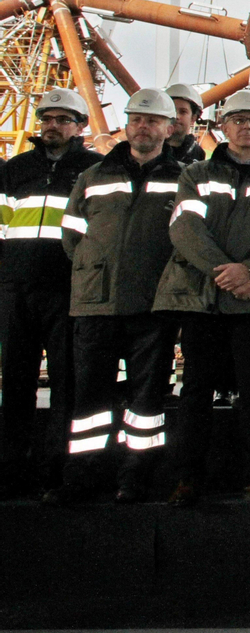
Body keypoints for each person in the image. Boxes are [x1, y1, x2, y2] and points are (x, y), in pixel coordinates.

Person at [154, 88, 250, 504]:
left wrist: (248, 270)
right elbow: (185, 230)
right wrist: (229, 273)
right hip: (206, 299)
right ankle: (189, 477)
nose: (246, 127)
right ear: (222, 126)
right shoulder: (196, 175)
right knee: (196, 390)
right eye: (238, 120)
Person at [52, 89, 181, 505]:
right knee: (89, 399)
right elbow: (72, 235)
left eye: (152, 120)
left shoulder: (183, 178)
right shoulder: (93, 176)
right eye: (137, 119)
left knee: (146, 402)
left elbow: (187, 238)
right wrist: (94, 270)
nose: (143, 127)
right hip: (96, 302)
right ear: (126, 124)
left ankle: (135, 479)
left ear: (169, 128)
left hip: (153, 304)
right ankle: (83, 478)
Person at [0, 88, 102, 498]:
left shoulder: (94, 169)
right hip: (16, 287)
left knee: (66, 384)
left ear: (80, 126)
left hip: (66, 288)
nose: (52, 126)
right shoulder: (15, 168)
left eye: (62, 120)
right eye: (47, 119)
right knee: (15, 382)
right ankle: (11, 470)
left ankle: (56, 470)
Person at [165, 82, 209, 164]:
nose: (176, 116)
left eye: (183, 112)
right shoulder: (149, 147)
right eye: (172, 111)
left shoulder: (198, 153)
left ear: (193, 118)